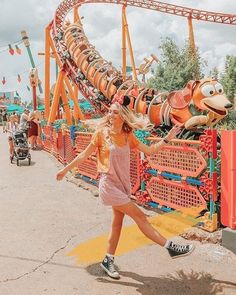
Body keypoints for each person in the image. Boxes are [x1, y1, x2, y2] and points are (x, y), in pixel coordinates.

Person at [56, 95, 195, 279]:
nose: (110, 115)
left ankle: (108, 260)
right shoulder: (101, 134)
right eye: (110, 112)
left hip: (123, 186)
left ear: (122, 115)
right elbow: (83, 156)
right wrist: (65, 170)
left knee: (117, 224)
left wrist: (167, 139)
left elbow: (150, 151)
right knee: (140, 216)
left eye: (115, 112)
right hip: (108, 185)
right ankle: (171, 247)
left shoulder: (128, 136)